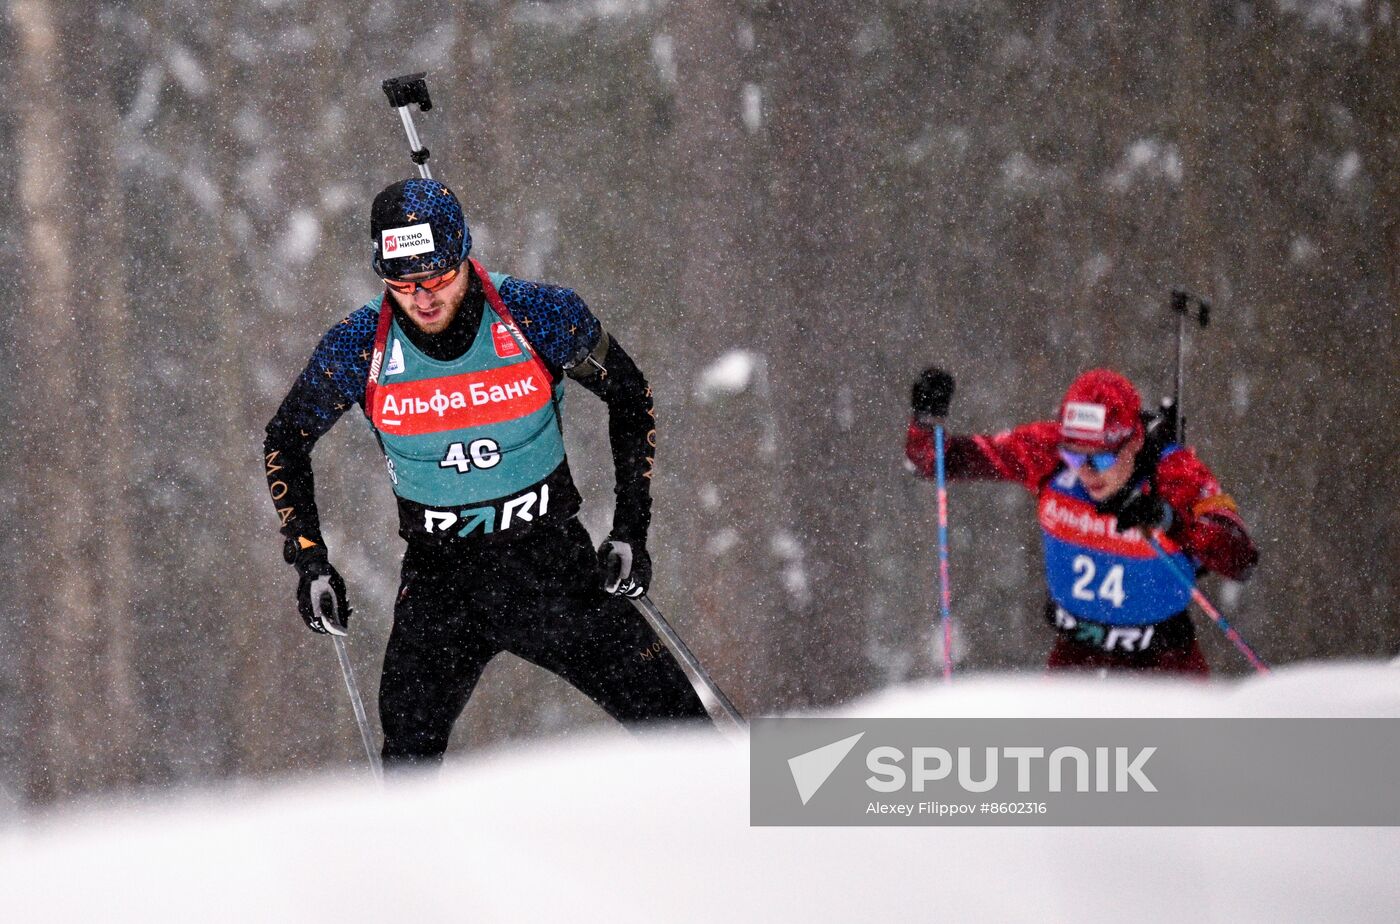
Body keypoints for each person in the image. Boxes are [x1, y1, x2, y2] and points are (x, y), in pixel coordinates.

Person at [263, 177, 709, 766]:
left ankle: (785, 842)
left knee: (688, 737)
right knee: (406, 773)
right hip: (440, 581)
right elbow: (285, 439)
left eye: (438, 277)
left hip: (553, 567)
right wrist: (310, 560)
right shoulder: (356, 346)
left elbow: (629, 394)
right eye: (402, 283)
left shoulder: (538, 315)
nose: (422, 299)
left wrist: (631, 528)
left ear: (465, 255)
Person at [904, 366, 1258, 675]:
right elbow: (939, 461)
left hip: (1163, 661)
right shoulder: (1048, 449)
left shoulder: (1174, 472)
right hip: (1076, 656)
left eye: (1102, 460)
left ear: (1134, 442)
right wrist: (925, 423)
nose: (1086, 473)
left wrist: (1169, 519)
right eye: (1074, 458)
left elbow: (1240, 558)